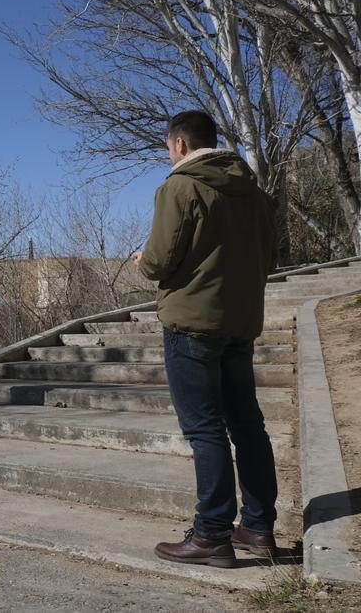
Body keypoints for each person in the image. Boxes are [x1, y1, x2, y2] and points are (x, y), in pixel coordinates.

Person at [134, 110, 279, 569]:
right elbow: (270, 258)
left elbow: (159, 262)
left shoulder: (179, 187)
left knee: (205, 429)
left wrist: (142, 259)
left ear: (179, 144)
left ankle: (212, 535)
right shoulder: (253, 194)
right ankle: (258, 527)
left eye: (167, 147)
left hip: (192, 325)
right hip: (239, 323)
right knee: (248, 426)